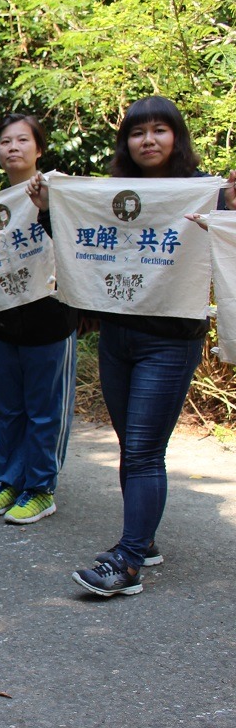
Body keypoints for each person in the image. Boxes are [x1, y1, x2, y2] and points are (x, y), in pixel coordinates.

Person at [67, 96, 236, 597]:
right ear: (126, 143)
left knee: (142, 448)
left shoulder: (208, 192)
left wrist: (227, 209)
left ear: (176, 138)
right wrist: (44, 201)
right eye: (138, 132)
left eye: (159, 130)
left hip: (171, 338)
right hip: (118, 332)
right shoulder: (111, 193)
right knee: (131, 444)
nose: (148, 140)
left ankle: (129, 560)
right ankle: (146, 537)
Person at [0, 114, 78, 524]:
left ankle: (40, 488)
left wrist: (49, 206)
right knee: (9, 408)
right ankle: (10, 482)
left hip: (50, 318)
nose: (12, 148)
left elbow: (76, 245)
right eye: (4, 142)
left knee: (45, 410)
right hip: (5, 319)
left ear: (39, 148)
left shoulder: (59, 190)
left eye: (21, 140)